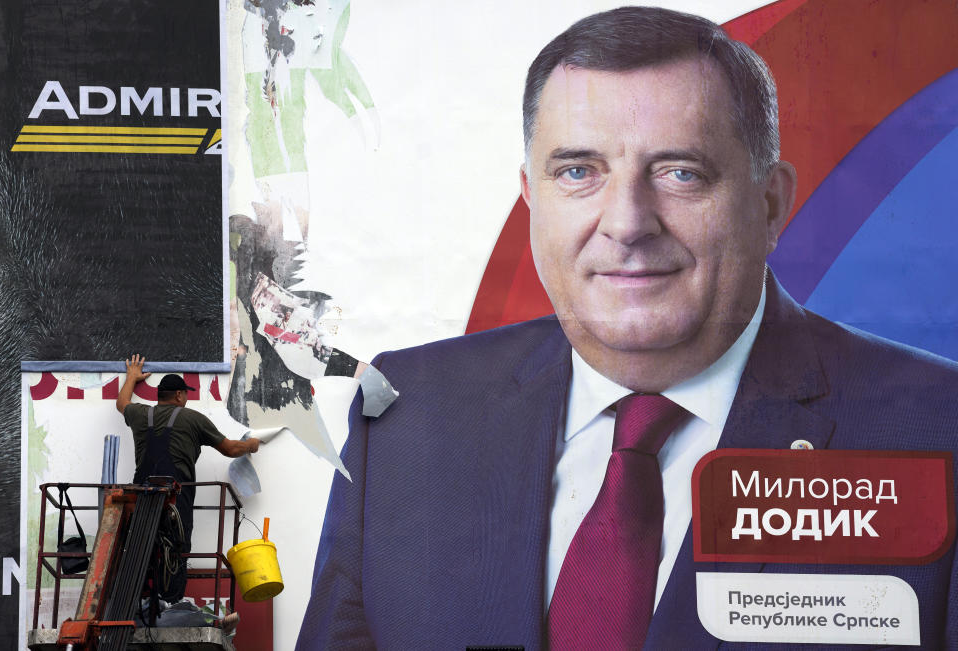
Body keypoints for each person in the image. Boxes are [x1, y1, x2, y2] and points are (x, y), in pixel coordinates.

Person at [297, 7, 958, 650]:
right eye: (579, 172)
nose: (628, 222)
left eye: (679, 171)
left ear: (769, 203)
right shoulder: (407, 415)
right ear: (533, 197)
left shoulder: (937, 427)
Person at [116, 354, 260, 551]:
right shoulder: (194, 419)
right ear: (178, 395)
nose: (187, 397)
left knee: (138, 552)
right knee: (176, 554)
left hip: (141, 498)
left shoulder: (139, 414)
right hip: (177, 501)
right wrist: (251, 445)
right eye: (186, 393)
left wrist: (132, 376)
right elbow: (230, 449)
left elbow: (122, 403)